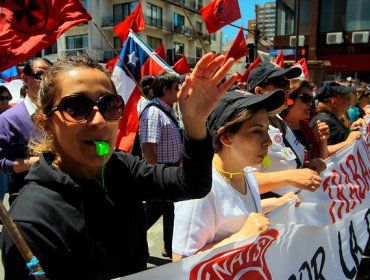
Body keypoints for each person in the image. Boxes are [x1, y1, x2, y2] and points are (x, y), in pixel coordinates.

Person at [0, 53, 237, 279]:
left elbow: (192, 184)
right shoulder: (32, 223)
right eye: (76, 107)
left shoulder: (120, 167)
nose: (100, 120)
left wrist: (194, 122)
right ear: (47, 124)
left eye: (110, 105)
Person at [172, 90, 299, 260]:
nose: (268, 141)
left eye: (266, 130)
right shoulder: (201, 192)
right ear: (226, 138)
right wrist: (240, 238)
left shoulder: (245, 170)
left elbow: (236, 214)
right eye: (256, 131)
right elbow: (180, 263)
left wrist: (278, 203)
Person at [247, 61, 325, 197]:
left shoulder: (279, 120)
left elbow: (282, 163)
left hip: (291, 208)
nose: (287, 90)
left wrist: (306, 166)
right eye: (280, 84)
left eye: (287, 84)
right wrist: (290, 176)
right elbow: (244, 181)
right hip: (267, 212)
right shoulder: (246, 127)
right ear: (259, 91)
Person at [139, 72, 182, 258]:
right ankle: (132, 241)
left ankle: (169, 246)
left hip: (171, 169)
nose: (179, 92)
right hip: (161, 171)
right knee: (153, 211)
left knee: (170, 211)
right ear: (165, 90)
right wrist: (156, 174)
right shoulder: (153, 112)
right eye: (175, 88)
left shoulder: (168, 109)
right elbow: (148, 146)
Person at [0, 57, 52, 205]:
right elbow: (2, 162)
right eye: (40, 75)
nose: (47, 81)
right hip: (27, 197)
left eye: (52, 75)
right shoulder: (8, 119)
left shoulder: (62, 114)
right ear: (25, 79)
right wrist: (39, 162)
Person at [280, 79, 330, 160]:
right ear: (289, 99)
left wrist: (323, 140)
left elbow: (321, 160)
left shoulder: (304, 126)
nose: (310, 103)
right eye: (306, 98)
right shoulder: (276, 127)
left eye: (311, 99)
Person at [310, 81, 363, 155]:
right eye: (347, 99)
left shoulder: (330, 117)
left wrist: (352, 131)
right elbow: (323, 152)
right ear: (334, 101)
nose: (349, 103)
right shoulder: (325, 121)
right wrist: (348, 142)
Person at [0, 85, 13, 200]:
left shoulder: (13, 113)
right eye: (1, 98)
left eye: (7, 97)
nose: (5, 101)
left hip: (9, 159)